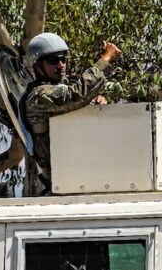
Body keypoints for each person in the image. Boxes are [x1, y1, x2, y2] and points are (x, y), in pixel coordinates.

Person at [22, 32, 121, 190]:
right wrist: (105, 60)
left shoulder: (53, 90)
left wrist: (92, 103)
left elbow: (72, 102)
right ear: (37, 66)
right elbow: (75, 95)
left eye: (62, 59)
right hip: (61, 175)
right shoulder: (39, 96)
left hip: (74, 168)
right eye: (53, 61)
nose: (60, 65)